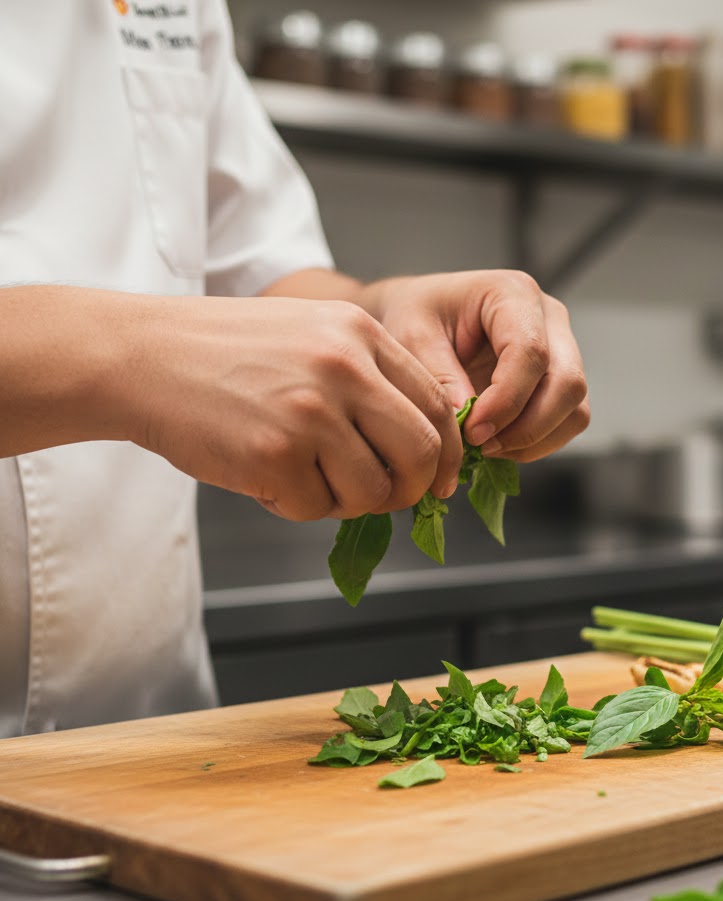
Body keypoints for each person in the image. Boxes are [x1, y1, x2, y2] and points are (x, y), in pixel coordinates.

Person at [0, 1, 589, 738]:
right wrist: (134, 361)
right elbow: (187, 340)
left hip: (146, 745)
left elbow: (260, 272)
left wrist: (390, 316)